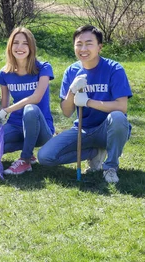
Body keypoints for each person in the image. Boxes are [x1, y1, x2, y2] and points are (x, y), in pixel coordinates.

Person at [38, 25, 132, 183]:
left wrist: (88, 102)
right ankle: (93, 153)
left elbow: (121, 107)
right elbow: (67, 112)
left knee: (118, 117)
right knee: (45, 157)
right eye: (79, 44)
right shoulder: (71, 71)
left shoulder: (114, 69)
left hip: (108, 129)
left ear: (99, 47)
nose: (83, 48)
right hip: (83, 129)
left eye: (89, 43)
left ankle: (110, 167)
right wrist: (72, 91)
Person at [0, 27, 55, 175]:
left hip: (41, 128)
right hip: (16, 125)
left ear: (31, 47)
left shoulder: (43, 68)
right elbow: (4, 105)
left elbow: (36, 98)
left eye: (25, 43)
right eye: (16, 43)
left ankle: (25, 159)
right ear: (10, 46)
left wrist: (7, 110)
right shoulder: (5, 73)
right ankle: (28, 148)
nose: (20, 47)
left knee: (30, 109)